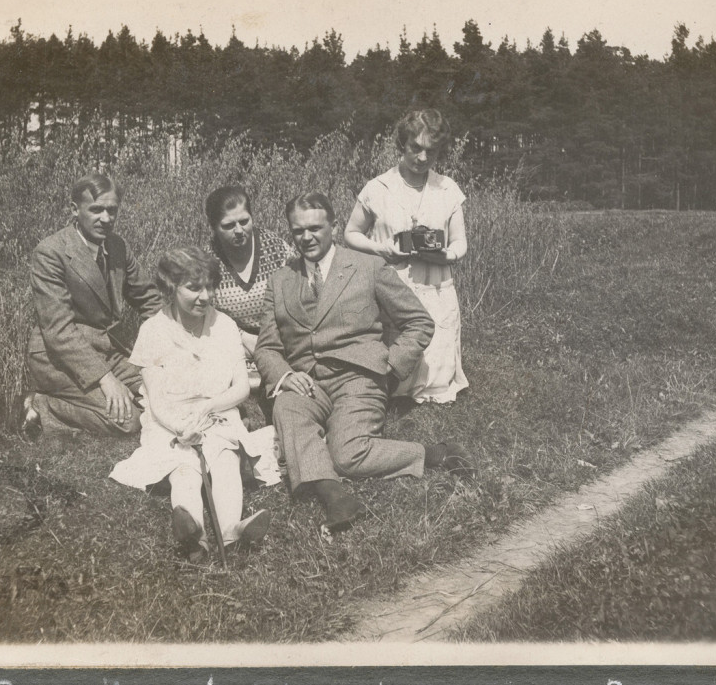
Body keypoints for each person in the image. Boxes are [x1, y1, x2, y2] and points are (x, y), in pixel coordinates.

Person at [254, 191, 475, 532]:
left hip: (358, 380)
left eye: (315, 228)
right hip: (306, 382)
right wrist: (284, 375)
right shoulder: (280, 281)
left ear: (334, 227)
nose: (307, 237)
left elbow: (419, 322)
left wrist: (388, 368)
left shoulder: (368, 267)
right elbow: (267, 347)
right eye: (298, 231)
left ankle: (434, 454)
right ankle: (334, 494)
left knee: (347, 453)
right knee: (286, 408)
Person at [109, 247, 273, 563]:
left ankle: (232, 529)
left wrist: (211, 406)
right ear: (172, 288)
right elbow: (155, 399)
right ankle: (192, 530)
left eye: (209, 286)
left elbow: (240, 388)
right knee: (183, 465)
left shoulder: (223, 326)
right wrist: (182, 427)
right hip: (169, 418)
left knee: (225, 459)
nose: (204, 296)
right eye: (193, 287)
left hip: (218, 410)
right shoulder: (153, 331)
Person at [344, 109, 469, 404]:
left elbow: (460, 241)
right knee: (395, 355)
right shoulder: (378, 189)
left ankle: (436, 385)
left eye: (431, 151)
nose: (423, 158)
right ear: (402, 145)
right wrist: (382, 249)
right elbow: (350, 234)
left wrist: (447, 256)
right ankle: (391, 386)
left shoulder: (447, 189)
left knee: (437, 366)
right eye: (416, 148)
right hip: (394, 287)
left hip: (436, 285)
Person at [23, 172, 161, 437]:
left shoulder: (117, 246)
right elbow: (58, 331)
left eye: (112, 210)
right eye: (96, 210)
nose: (106, 219)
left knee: (166, 395)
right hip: (58, 358)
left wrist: (175, 345)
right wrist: (106, 379)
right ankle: (42, 406)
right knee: (129, 420)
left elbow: (149, 298)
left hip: (108, 351)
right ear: (75, 210)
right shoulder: (51, 252)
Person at [204, 185, 295, 403]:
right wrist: (243, 338)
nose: (238, 230)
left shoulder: (276, 248)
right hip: (233, 340)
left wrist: (267, 340)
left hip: (277, 335)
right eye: (228, 225)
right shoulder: (207, 260)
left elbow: (294, 299)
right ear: (214, 227)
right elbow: (207, 312)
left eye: (244, 221)